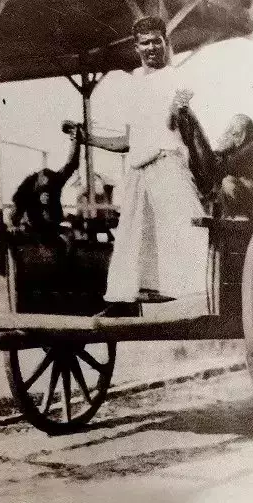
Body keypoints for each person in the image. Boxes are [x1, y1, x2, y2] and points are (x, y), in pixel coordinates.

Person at [83, 15, 208, 304]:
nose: (151, 48)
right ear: (136, 48)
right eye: (144, 43)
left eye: (156, 41)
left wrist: (179, 113)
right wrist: (86, 138)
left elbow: (180, 130)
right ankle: (140, 300)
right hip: (139, 171)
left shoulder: (177, 79)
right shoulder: (134, 83)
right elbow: (128, 141)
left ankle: (199, 299)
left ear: (166, 42)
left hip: (167, 164)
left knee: (184, 231)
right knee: (134, 240)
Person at [10, 122, 84, 240]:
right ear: (36, 187)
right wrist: (15, 225)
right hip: (33, 227)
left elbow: (72, 164)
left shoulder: (56, 181)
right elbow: (16, 211)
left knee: (71, 235)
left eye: (47, 191)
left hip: (51, 226)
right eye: (42, 191)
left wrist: (76, 139)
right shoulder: (27, 187)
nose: (45, 195)